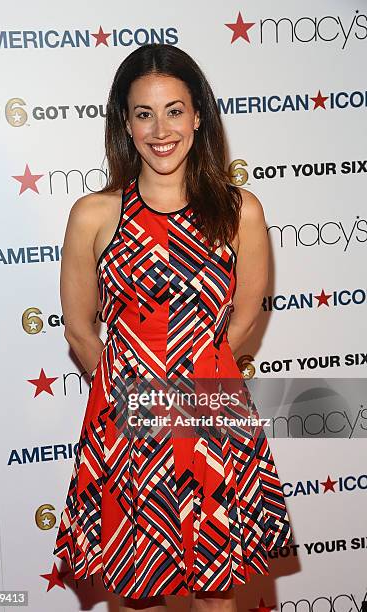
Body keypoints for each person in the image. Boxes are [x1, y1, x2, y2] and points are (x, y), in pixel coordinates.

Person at [53, 43, 293, 611]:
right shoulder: (94, 214)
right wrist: (135, 394)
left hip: (211, 417)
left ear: (199, 115)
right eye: (144, 113)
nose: (161, 129)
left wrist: (191, 380)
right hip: (129, 426)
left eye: (175, 110)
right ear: (125, 123)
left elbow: (245, 316)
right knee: (140, 595)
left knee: (217, 593)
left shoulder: (241, 212)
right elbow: (80, 330)